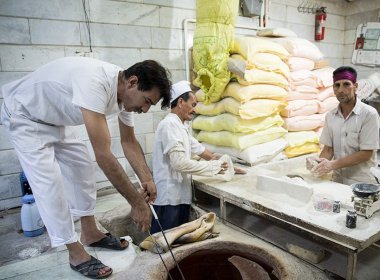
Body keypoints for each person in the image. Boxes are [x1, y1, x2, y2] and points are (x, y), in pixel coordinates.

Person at [1, 56, 171, 279]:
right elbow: (103, 155)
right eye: (147, 101)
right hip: (24, 114)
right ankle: (75, 252)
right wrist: (137, 202)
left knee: (81, 164)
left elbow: (128, 141)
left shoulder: (125, 96)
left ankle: (90, 233)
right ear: (132, 82)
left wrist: (146, 177)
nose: (146, 109)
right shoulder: (95, 83)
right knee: (49, 184)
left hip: (53, 120)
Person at [151, 80, 245, 234]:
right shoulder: (169, 125)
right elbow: (179, 163)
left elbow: (201, 150)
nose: (195, 110)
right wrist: (215, 168)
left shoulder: (181, 126)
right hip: (169, 198)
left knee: (177, 241)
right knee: (163, 243)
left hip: (179, 196)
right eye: (193, 105)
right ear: (181, 102)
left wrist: (227, 164)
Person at [306, 66, 380, 185]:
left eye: (346, 84)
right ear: (333, 89)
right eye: (337, 85)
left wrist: (332, 165)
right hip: (338, 181)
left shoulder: (369, 114)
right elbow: (328, 149)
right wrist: (318, 164)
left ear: (355, 87)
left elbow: (366, 153)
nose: (341, 90)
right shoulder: (331, 116)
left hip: (363, 183)